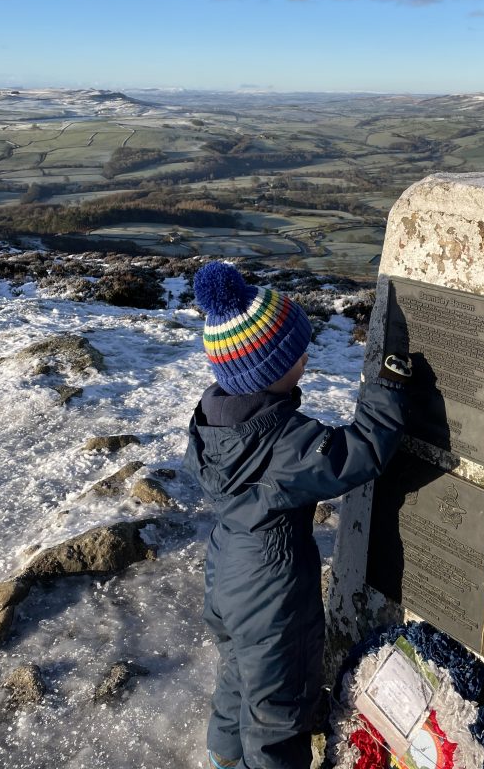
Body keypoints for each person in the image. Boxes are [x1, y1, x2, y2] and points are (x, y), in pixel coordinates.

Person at [185, 260, 410, 769]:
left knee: (239, 673)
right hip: (271, 593)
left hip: (226, 572)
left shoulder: (213, 422)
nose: (306, 356)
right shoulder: (286, 443)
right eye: (295, 353)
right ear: (267, 373)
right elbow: (361, 452)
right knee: (279, 711)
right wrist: (388, 387)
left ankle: (223, 756)